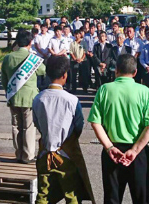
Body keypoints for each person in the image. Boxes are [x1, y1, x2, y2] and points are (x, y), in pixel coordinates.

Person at [88, 54, 149, 204]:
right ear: (135, 72)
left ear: (116, 70)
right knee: (143, 197)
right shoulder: (144, 91)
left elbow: (95, 123)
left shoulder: (104, 90)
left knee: (112, 198)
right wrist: (134, 151)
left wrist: (109, 147)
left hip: (112, 150)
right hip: (138, 151)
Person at [32, 56, 95, 204]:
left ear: (47, 74)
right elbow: (79, 125)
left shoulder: (38, 98)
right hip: (66, 154)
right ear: (65, 75)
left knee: (43, 194)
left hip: (44, 153)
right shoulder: (72, 100)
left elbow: (37, 123)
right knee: (71, 194)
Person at [1, 30, 46, 163]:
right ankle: (28, 156)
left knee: (16, 126)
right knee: (28, 127)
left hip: (13, 96)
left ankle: (18, 154)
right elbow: (42, 70)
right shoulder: (32, 58)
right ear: (30, 42)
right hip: (29, 98)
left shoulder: (8, 58)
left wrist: (8, 91)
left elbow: (4, 79)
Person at [70, 29, 89, 94]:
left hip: (83, 61)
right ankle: (73, 89)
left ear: (80, 35)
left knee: (84, 75)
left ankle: (85, 88)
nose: (77, 35)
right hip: (74, 61)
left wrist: (81, 59)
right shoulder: (72, 43)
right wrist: (75, 59)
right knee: (74, 76)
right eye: (76, 34)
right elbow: (71, 52)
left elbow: (85, 52)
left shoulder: (83, 42)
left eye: (78, 34)